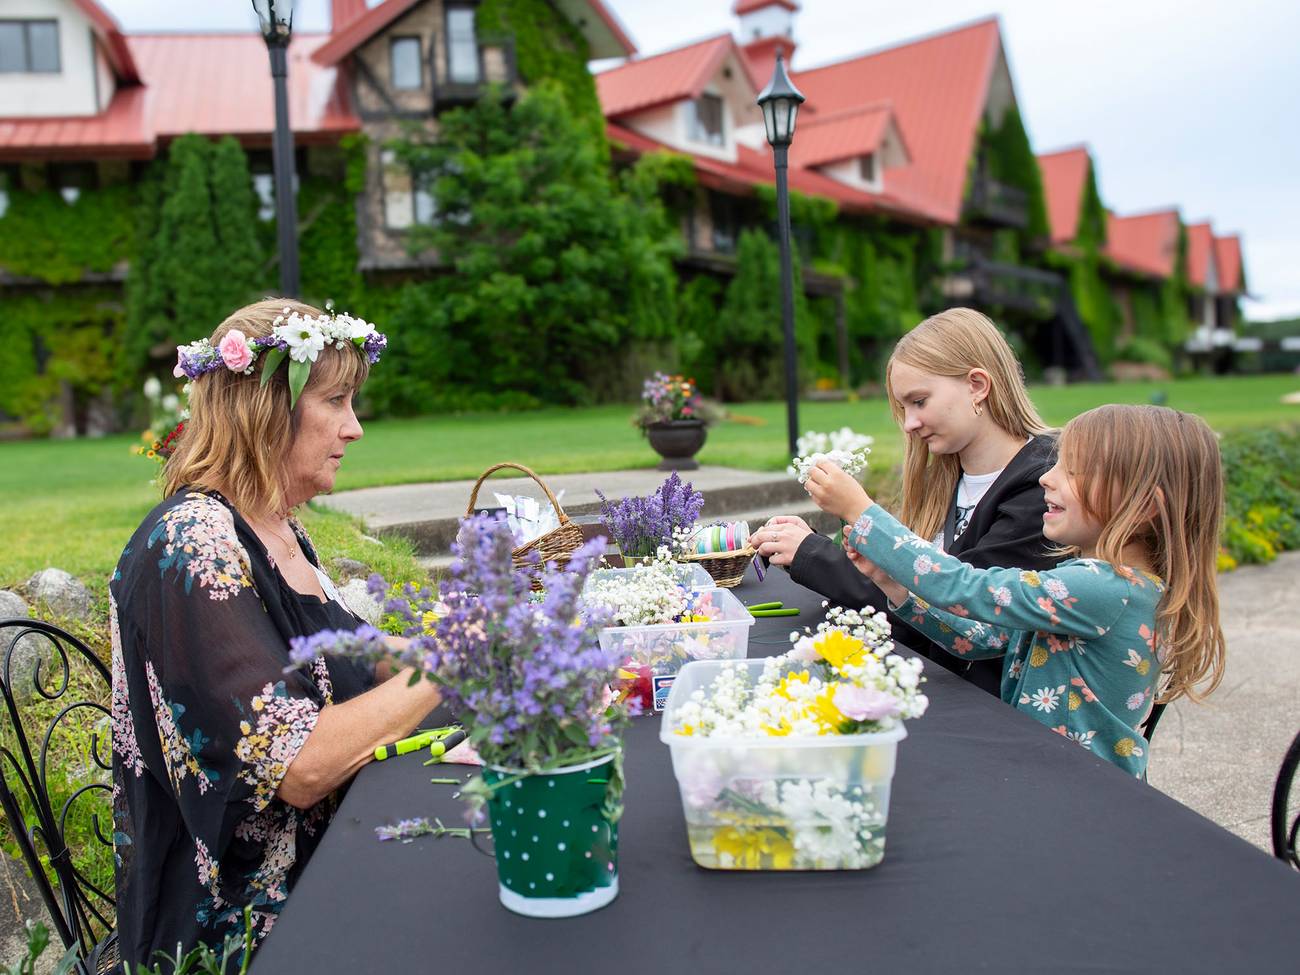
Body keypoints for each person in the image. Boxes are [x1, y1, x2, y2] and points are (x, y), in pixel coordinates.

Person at [109, 299, 443, 968]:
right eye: (338, 400)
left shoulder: (278, 526)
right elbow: (300, 764)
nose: (355, 428)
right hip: (246, 930)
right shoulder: (190, 545)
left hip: (331, 863)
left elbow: (361, 656)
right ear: (266, 410)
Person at [804, 403, 1227, 777]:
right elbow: (983, 639)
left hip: (1084, 793)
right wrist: (890, 581)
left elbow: (964, 586)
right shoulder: (1094, 581)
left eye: (1074, 470)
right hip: (1058, 776)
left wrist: (861, 512)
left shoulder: (1104, 588)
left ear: (1145, 506)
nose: (1047, 476)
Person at [757, 308, 1057, 695]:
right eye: (904, 408)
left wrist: (851, 519)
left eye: (919, 401)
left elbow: (960, 609)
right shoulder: (946, 478)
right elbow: (900, 595)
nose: (910, 424)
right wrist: (815, 545)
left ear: (977, 385)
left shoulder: (1044, 487)